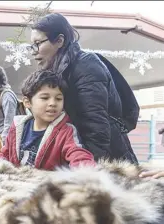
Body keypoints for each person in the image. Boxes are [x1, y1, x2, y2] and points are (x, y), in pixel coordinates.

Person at [29, 13, 138, 163]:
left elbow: (96, 128)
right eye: (31, 46)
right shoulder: (56, 71)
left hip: (107, 160)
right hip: (78, 157)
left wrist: (87, 172)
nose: (34, 50)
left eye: (38, 43)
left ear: (60, 41)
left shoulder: (86, 66)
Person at [0, 70, 95, 170]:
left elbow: (78, 154)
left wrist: (88, 173)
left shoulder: (66, 131)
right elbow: (4, 154)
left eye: (58, 99)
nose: (53, 103)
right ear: (27, 102)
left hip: (46, 184)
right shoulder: (16, 127)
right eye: (45, 98)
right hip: (17, 183)